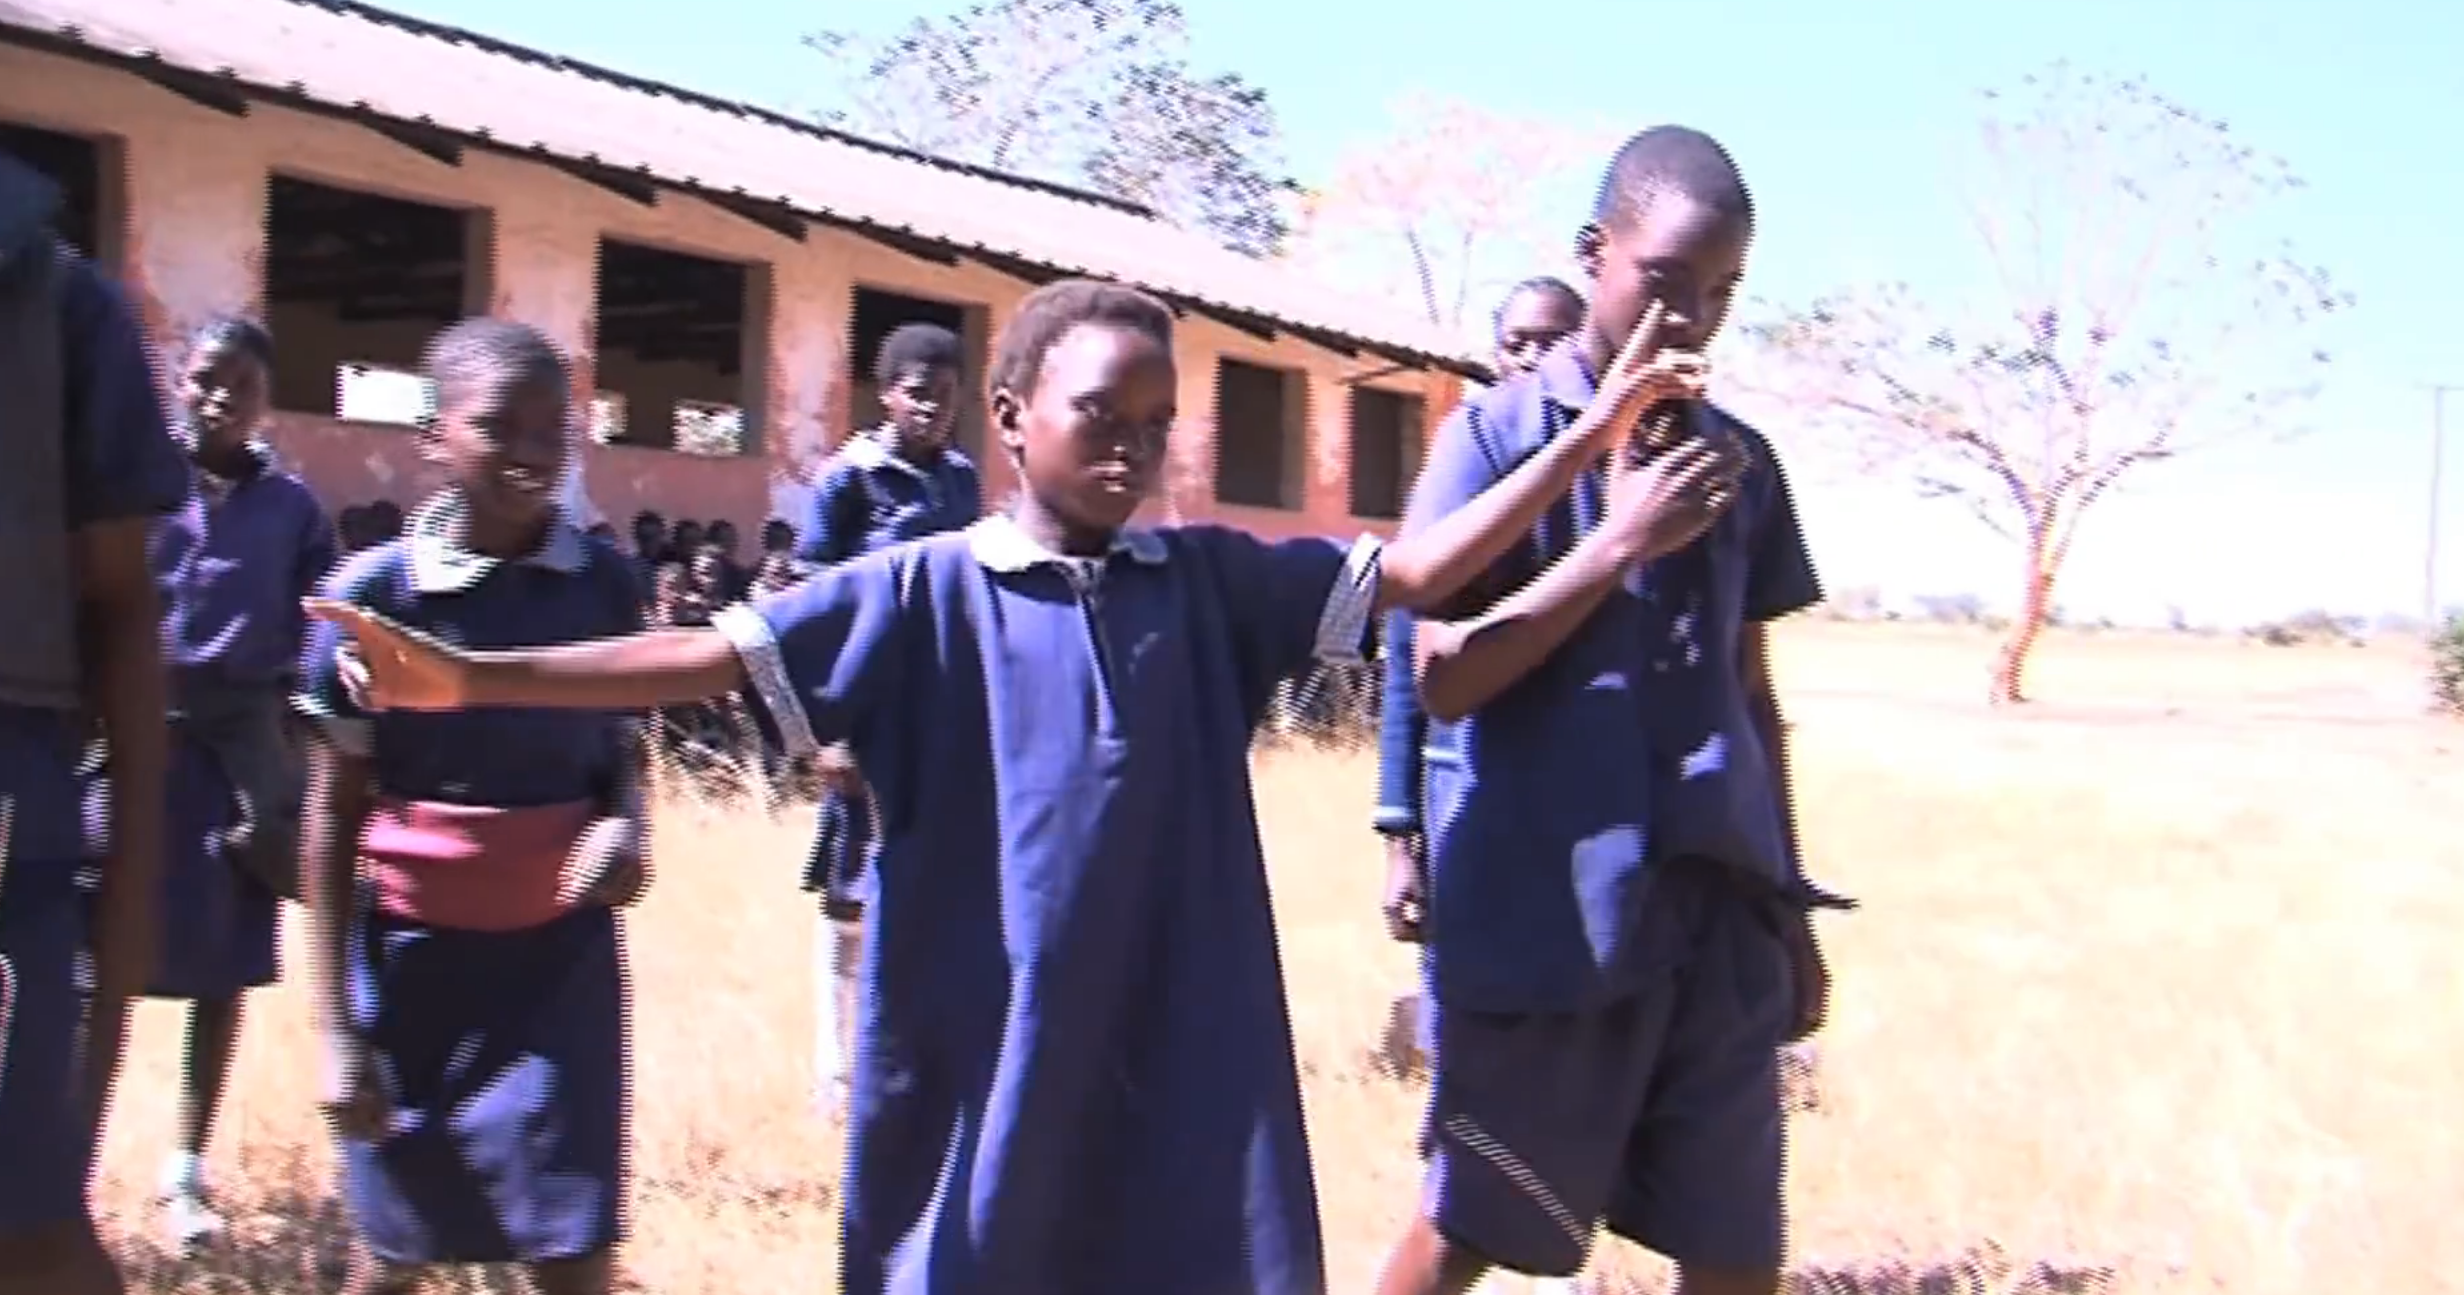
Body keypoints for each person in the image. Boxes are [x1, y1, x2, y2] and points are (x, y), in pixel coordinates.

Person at [306, 275, 1703, 1294]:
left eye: (1158, 419)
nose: (1134, 443)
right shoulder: (918, 595)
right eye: (1101, 410)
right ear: (1012, 411)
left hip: (1180, 1045)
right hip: (988, 1045)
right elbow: (698, 658)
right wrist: (474, 679)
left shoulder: (1208, 581)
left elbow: (1412, 572)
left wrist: (1588, 444)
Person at [1370, 127, 1852, 1295]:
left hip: (1712, 910)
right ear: (1596, 254)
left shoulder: (1737, 463)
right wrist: (1616, 542)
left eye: (1723, 292)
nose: (1690, 317)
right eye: (1666, 282)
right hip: (1549, 913)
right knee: (1473, 1219)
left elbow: (1751, 695)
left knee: (1736, 1246)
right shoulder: (1496, 436)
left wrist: (1786, 902)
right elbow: (1442, 671)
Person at [293, 317, 648, 1295]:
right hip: (412, 967)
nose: (534, 452)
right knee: (392, 1252)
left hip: (557, 968)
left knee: (573, 1252)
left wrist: (624, 826)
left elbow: (616, 754)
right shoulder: (376, 602)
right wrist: (335, 1031)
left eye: (553, 428)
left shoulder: (603, 586)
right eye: (501, 427)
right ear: (435, 436)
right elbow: (331, 821)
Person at [0, 150, 186, 1295]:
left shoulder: (57, 304)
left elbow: (123, 612)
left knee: (29, 1233)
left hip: (19, 792)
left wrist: (114, 963)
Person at [142, 315, 337, 1253]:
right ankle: (52, 1163)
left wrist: (308, 701)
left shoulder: (292, 508)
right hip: (136, 737)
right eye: (206, 378)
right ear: (181, 379)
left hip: (245, 741)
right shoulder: (135, 480)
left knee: (227, 958)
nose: (220, 398)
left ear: (265, 402)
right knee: (89, 947)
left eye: (243, 387)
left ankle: (183, 1165)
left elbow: (319, 618)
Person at [1373, 277, 1590, 1047]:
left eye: (1554, 339)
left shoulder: (1606, 490)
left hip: (1576, 805)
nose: (1532, 356)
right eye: (1516, 341)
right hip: (1462, 793)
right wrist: (1401, 842)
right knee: (1470, 1015)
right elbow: (1407, 675)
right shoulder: (1459, 474)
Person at [795, 320, 981, 1114]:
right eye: (916, 393)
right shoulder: (849, 480)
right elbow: (809, 601)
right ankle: (837, 1072)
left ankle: (912, 1058)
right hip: (867, 709)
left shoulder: (963, 481)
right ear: (886, 394)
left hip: (940, 709)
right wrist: (828, 728)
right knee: (850, 892)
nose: (931, 409)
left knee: (931, 879)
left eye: (945, 396)